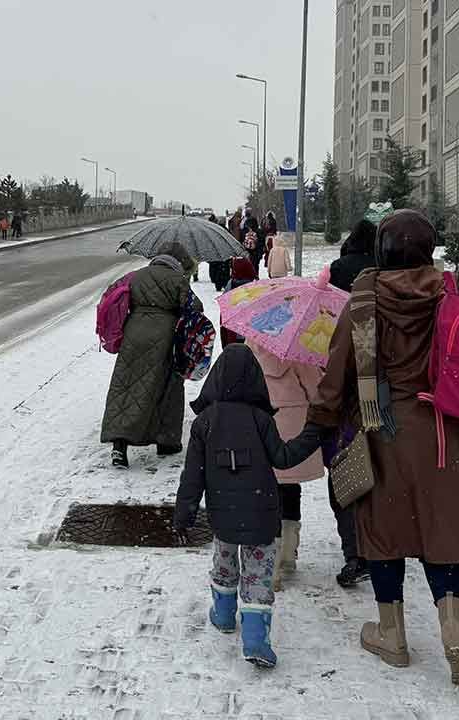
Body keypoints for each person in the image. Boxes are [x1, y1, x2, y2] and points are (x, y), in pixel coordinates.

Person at [278, 209, 459, 687]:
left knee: (385, 530)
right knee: (441, 528)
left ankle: (392, 634)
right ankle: (454, 629)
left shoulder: (362, 302)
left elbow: (336, 378)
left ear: (382, 251)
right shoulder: (447, 297)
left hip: (381, 429)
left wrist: (312, 432)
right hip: (441, 429)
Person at [173, 344, 309, 669]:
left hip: (223, 516)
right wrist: (312, 435)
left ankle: (222, 615)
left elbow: (193, 476)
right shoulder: (261, 419)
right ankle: (255, 639)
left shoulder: (205, 422)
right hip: (261, 512)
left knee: (225, 564)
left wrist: (184, 516)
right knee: (258, 574)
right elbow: (283, 458)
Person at [101, 242, 198, 468]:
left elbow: (114, 294)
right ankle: (167, 442)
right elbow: (195, 309)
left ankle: (119, 445)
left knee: (126, 387)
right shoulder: (178, 280)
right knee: (168, 388)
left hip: (133, 334)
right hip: (165, 337)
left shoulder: (136, 276)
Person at [324, 218, 377, 588]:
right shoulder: (385, 276)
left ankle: (355, 552)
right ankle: (381, 545)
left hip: (345, 381)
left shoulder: (339, 271)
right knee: (381, 471)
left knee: (344, 470)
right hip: (384, 384)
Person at [249, 343, 323, 592]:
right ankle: (287, 555)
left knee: (269, 493)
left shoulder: (252, 342)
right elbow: (315, 388)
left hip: (262, 422)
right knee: (290, 489)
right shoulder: (298, 347)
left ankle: (273, 562)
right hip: (293, 424)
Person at [220, 257, 258, 348]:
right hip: (251, 335)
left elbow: (223, 314)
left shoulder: (230, 285)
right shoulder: (256, 287)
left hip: (233, 334)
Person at [242, 208, 264, 278]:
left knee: (249, 264)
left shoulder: (245, 231)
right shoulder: (259, 231)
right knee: (256, 264)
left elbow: (242, 240)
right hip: (256, 252)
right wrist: (260, 252)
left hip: (248, 251)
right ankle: (256, 275)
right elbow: (261, 242)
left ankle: (249, 276)